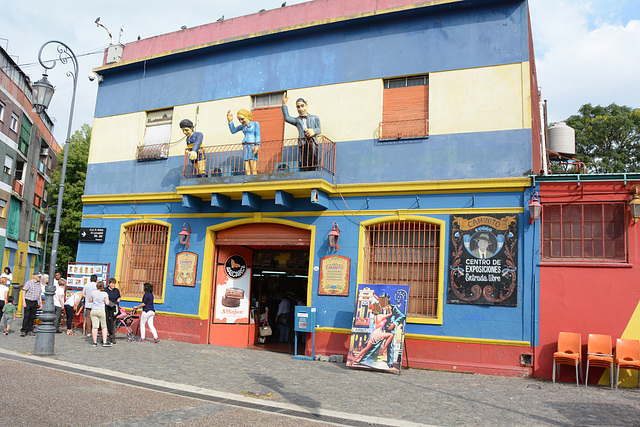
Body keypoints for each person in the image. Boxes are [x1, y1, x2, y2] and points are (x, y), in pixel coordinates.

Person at [281, 92, 321, 170]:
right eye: (298, 107)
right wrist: (284, 105)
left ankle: (314, 171)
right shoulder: (297, 120)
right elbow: (287, 118)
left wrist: (313, 131)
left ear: (306, 105)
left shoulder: (315, 118)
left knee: (314, 159)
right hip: (303, 142)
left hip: (312, 142)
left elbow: (319, 129)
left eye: (302, 106)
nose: (301, 109)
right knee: (304, 161)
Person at [227, 109, 260, 175]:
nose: (241, 121)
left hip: (252, 144)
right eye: (239, 120)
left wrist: (257, 145)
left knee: (252, 160)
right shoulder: (242, 126)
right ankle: (248, 176)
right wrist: (230, 122)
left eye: (242, 119)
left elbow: (258, 135)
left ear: (247, 116)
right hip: (245, 145)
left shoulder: (255, 124)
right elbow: (233, 130)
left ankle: (254, 176)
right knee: (246, 161)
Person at [88, 281, 111, 347]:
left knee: (95, 326)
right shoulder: (105, 294)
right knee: (104, 326)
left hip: (94, 310)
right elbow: (107, 303)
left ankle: (94, 342)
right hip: (101, 310)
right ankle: (104, 342)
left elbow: (90, 300)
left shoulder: (93, 293)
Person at [20, 272, 42, 336]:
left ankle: (30, 329)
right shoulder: (29, 283)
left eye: (40, 277)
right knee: (27, 316)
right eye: (38, 276)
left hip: (35, 301)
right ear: (34, 276)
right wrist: (23, 302)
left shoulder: (39, 284)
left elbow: (39, 294)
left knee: (32, 316)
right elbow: (24, 292)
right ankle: (24, 330)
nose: (39, 278)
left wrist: (40, 303)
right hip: (28, 301)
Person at [105, 278, 122, 342]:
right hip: (107, 307)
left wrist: (119, 299)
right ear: (109, 283)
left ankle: (112, 337)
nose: (113, 285)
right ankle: (105, 337)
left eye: (114, 283)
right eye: (112, 283)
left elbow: (119, 296)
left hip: (114, 308)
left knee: (113, 322)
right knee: (106, 322)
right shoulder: (105, 290)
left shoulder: (116, 290)